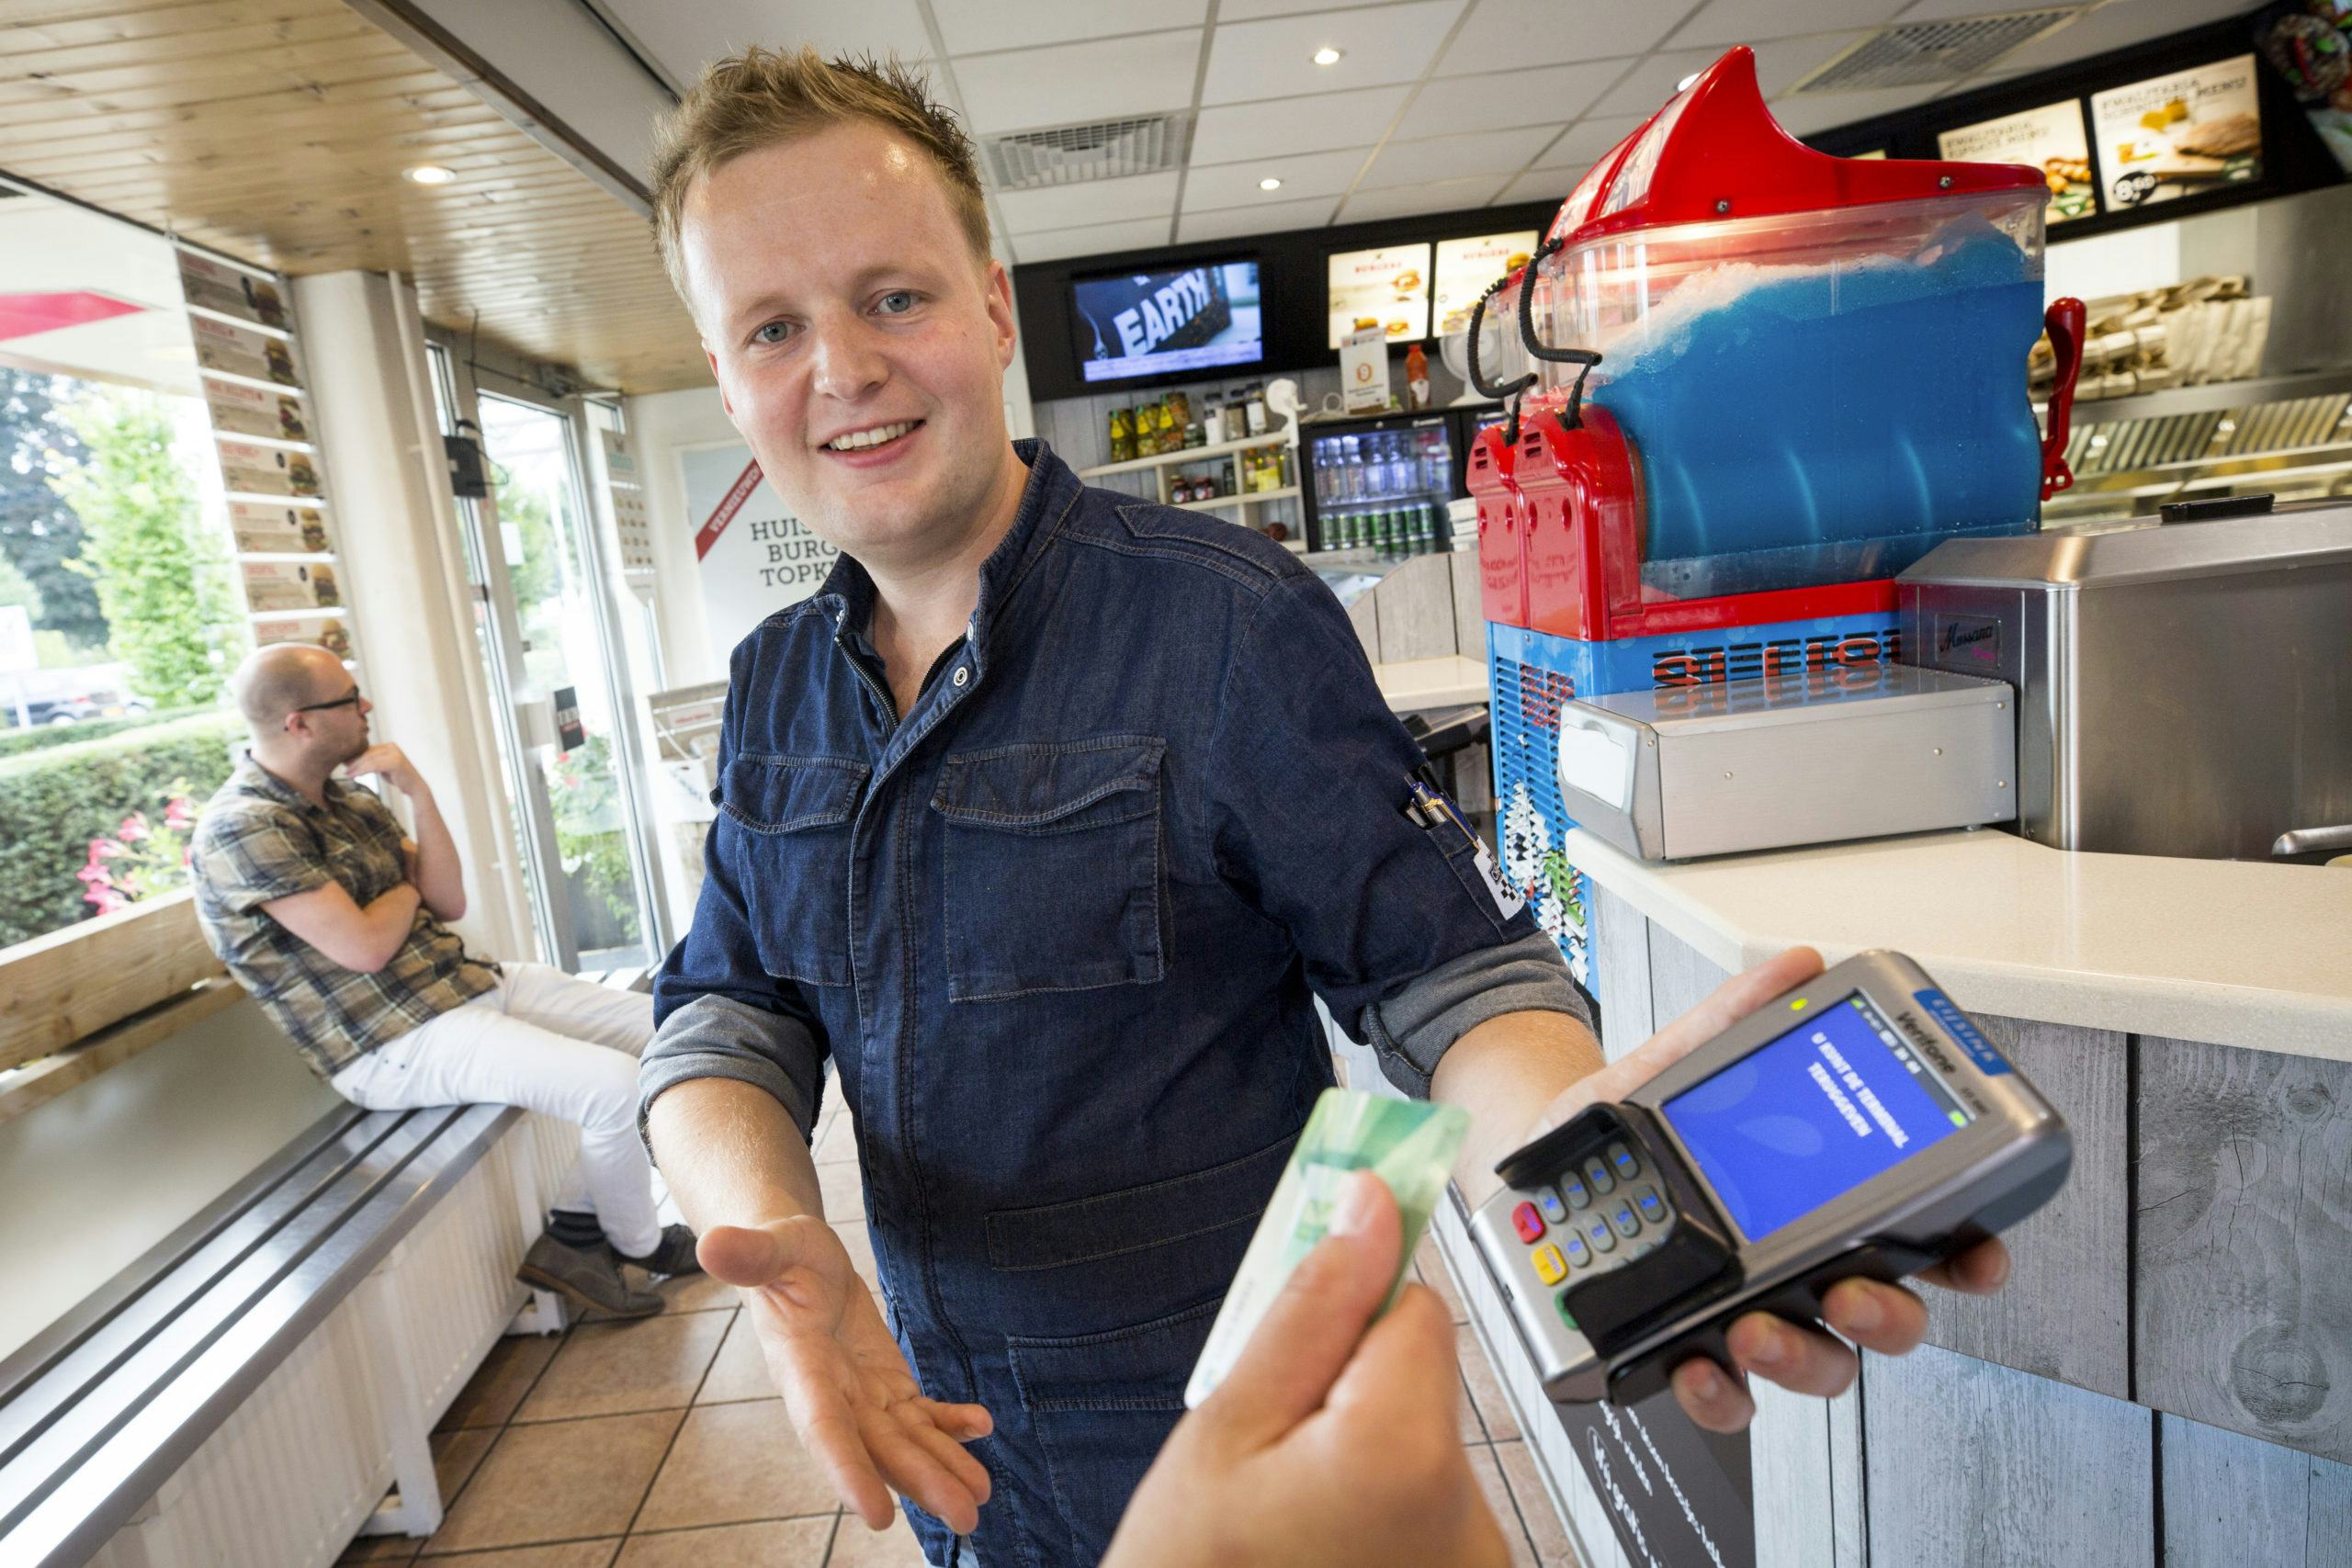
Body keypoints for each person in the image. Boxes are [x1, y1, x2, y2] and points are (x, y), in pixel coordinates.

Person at [635, 48, 2012, 1567]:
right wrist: (776, 1237)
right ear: (724, 372)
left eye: (892, 296)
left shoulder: (1227, 624)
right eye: (774, 325)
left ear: (990, 305)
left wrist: (1572, 1143)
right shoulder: (770, 687)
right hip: (961, 1471)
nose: (842, 366)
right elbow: (726, 1013)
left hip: (1270, 1467)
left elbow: (1445, 976)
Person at [188, 642, 701, 1319]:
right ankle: (638, 1242)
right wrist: (405, 889)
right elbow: (367, 947)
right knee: (615, 1087)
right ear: (299, 723)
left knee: (675, 1030)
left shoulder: (347, 801)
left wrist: (418, 793)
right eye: (349, 697)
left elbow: (447, 897)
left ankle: (577, 1233)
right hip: (390, 1040)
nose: (366, 705)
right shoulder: (242, 828)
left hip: (463, 985)